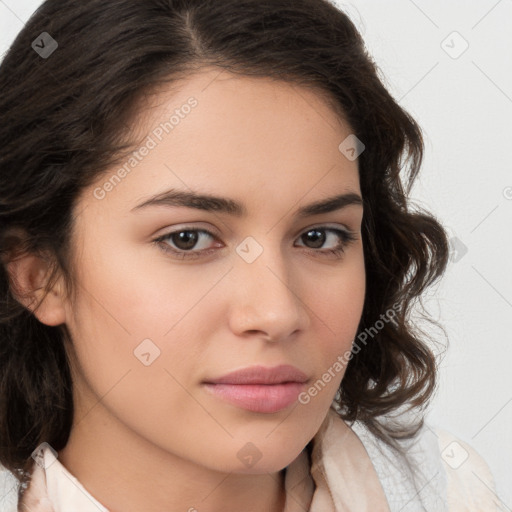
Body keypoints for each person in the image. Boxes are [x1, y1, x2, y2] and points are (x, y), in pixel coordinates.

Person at [0, 0, 500, 510]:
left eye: (320, 237)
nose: (277, 313)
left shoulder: (454, 491)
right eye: (188, 239)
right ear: (38, 274)